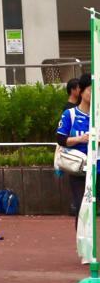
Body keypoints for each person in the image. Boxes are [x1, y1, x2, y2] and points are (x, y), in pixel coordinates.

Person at [58, 75, 93, 217]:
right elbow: (60, 139)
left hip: (97, 168)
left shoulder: (97, 116)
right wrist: (80, 139)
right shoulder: (70, 114)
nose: (94, 94)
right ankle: (82, 239)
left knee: (93, 210)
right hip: (79, 169)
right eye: (91, 90)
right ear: (81, 91)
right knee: (81, 209)